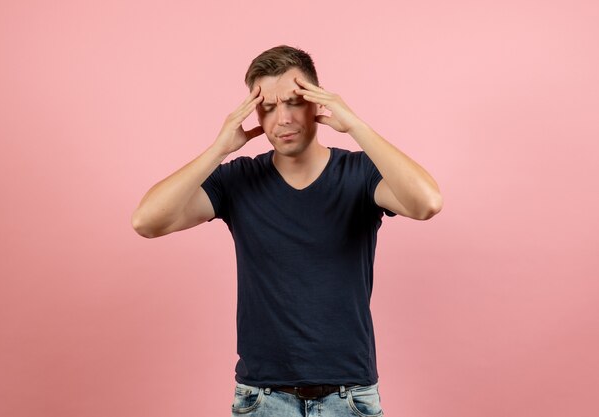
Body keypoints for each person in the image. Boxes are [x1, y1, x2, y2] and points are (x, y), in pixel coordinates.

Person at [132, 45, 442, 417]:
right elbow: (146, 221)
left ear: (318, 102)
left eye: (294, 102)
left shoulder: (361, 174)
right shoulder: (239, 179)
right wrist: (218, 150)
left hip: (350, 397)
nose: (282, 119)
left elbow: (427, 203)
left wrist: (357, 127)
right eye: (267, 107)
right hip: (261, 398)